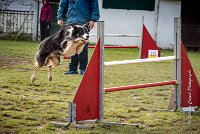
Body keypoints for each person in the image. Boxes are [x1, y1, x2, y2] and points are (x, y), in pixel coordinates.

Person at [57, 0, 100, 75]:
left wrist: (93, 20)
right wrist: (60, 17)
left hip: (84, 22)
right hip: (71, 22)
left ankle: (83, 69)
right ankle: (72, 69)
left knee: (83, 46)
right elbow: (63, 4)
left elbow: (94, 5)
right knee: (71, 46)